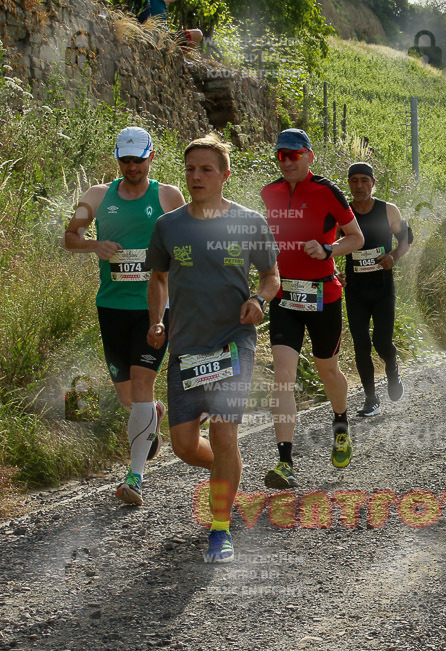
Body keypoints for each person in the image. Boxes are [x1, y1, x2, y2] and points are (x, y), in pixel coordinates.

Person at [146, 134, 280, 563]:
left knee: (224, 433)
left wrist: (259, 301)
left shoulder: (249, 222)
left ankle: (219, 530)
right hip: (186, 346)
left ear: (224, 175)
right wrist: (156, 320)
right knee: (185, 446)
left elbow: (272, 277)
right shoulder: (169, 226)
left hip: (232, 342)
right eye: (190, 169)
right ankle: (229, 475)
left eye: (206, 169)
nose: (196, 176)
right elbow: (157, 279)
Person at [64, 126, 186, 506]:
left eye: (139, 159)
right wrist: (93, 244)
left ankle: (135, 477)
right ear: (118, 159)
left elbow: (186, 244)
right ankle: (153, 417)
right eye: (125, 160)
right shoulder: (97, 196)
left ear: (151, 157)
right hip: (112, 305)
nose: (132, 166)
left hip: (155, 309)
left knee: (142, 387)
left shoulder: (167, 196)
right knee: (127, 397)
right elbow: (70, 236)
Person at [260, 129, 364, 489]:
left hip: (323, 297)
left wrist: (328, 249)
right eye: (281, 156)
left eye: (293, 155)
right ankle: (285, 462)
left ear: (309, 156)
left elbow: (356, 238)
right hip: (285, 297)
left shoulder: (328, 192)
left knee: (328, 369)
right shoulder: (269, 193)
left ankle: (341, 423)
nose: (287, 161)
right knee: (282, 377)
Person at [343, 162, 411, 417]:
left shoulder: (388, 210)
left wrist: (394, 255)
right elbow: (331, 246)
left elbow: (406, 239)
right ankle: (371, 399)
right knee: (361, 344)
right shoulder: (344, 212)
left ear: (373, 183)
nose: (359, 186)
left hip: (382, 288)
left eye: (364, 180)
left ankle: (392, 369)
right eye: (354, 181)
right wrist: (334, 272)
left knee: (382, 341)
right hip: (355, 289)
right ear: (349, 183)